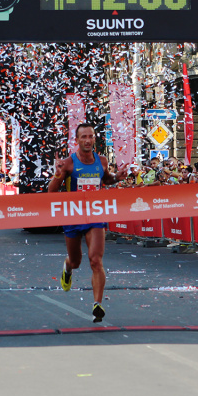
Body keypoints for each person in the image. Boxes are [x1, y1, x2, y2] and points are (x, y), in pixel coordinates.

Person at [48, 123, 127, 322]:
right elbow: (51, 191)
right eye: (84, 136)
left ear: (94, 139)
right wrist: (58, 174)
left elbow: (106, 180)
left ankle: (97, 304)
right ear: (77, 140)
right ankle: (67, 267)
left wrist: (117, 177)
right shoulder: (68, 163)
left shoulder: (101, 161)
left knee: (95, 260)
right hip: (73, 216)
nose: (88, 140)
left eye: (91, 136)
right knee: (76, 261)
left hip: (95, 214)